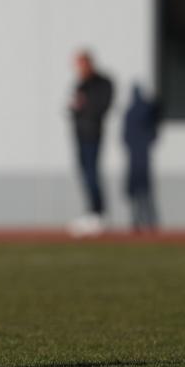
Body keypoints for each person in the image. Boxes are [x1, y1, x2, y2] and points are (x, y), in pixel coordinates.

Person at [67, 50, 113, 237]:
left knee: (92, 174)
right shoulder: (81, 84)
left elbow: (102, 106)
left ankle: (98, 214)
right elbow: (76, 107)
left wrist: (84, 106)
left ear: (89, 63)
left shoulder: (102, 83)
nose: (78, 68)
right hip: (79, 134)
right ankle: (90, 213)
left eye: (80, 64)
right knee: (85, 175)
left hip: (93, 134)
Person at [122, 83, 160, 233]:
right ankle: (149, 222)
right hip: (142, 157)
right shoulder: (146, 109)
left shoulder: (130, 112)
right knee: (145, 193)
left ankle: (137, 221)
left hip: (134, 158)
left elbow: (124, 136)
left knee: (137, 193)